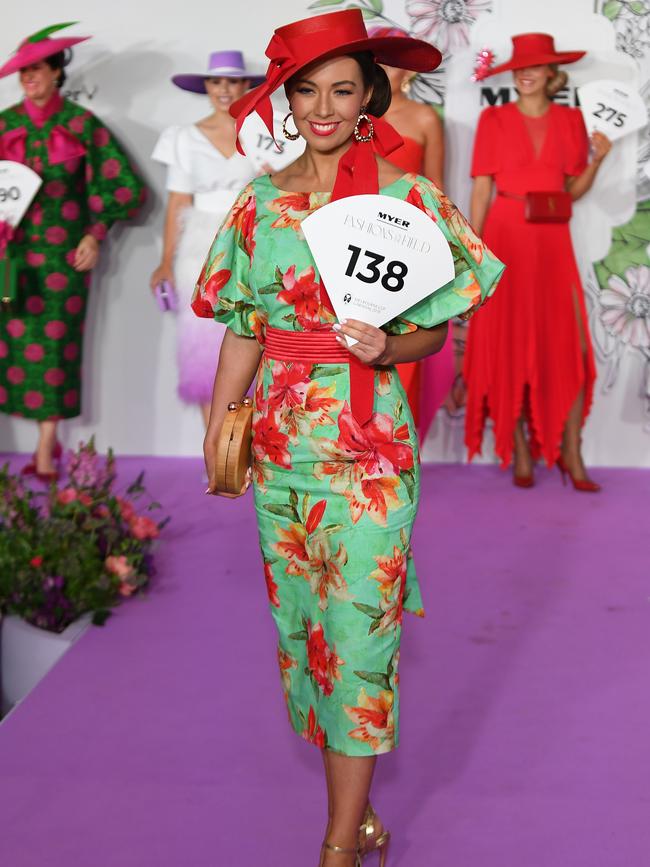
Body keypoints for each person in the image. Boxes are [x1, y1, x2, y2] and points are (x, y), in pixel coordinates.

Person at [193, 10, 504, 865]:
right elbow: (244, 329)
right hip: (283, 454)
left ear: (371, 95)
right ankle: (358, 816)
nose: (324, 107)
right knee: (309, 639)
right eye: (307, 89)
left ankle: (337, 844)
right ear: (288, 98)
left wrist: (387, 343)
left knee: (362, 639)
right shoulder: (260, 203)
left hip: (370, 457)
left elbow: (433, 335)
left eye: (342, 89)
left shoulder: (405, 201)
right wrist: (223, 429)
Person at [464, 33, 611, 491]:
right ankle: (520, 449)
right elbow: (483, 188)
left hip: (552, 242)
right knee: (507, 341)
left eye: (535, 67)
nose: (525, 73)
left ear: (552, 74)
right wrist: (475, 250)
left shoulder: (571, 121)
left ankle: (571, 449)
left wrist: (599, 161)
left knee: (564, 344)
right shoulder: (493, 118)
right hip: (505, 236)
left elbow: (571, 192)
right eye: (519, 68)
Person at [0, 23, 144, 480]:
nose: (28, 78)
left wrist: (94, 233)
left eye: (36, 69)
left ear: (58, 72)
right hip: (8, 258)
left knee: (56, 350)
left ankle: (46, 448)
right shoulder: (3, 124)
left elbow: (124, 186)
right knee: (8, 347)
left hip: (64, 262)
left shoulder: (82, 126)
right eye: (23, 71)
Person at [150, 51, 262, 426]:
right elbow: (177, 202)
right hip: (199, 248)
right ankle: (215, 449)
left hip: (254, 242)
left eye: (233, 81)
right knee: (202, 345)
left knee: (257, 333)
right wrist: (166, 261)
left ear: (246, 85)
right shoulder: (183, 138)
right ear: (207, 88)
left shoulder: (266, 133)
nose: (225, 89)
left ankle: (255, 448)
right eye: (217, 82)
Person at [367, 25, 452, 438]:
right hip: (354, 243)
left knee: (408, 339)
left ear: (409, 71)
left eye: (389, 59)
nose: (380, 66)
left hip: (407, 246)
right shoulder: (350, 115)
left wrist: (440, 251)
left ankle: (400, 443)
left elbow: (437, 190)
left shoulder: (424, 118)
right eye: (374, 58)